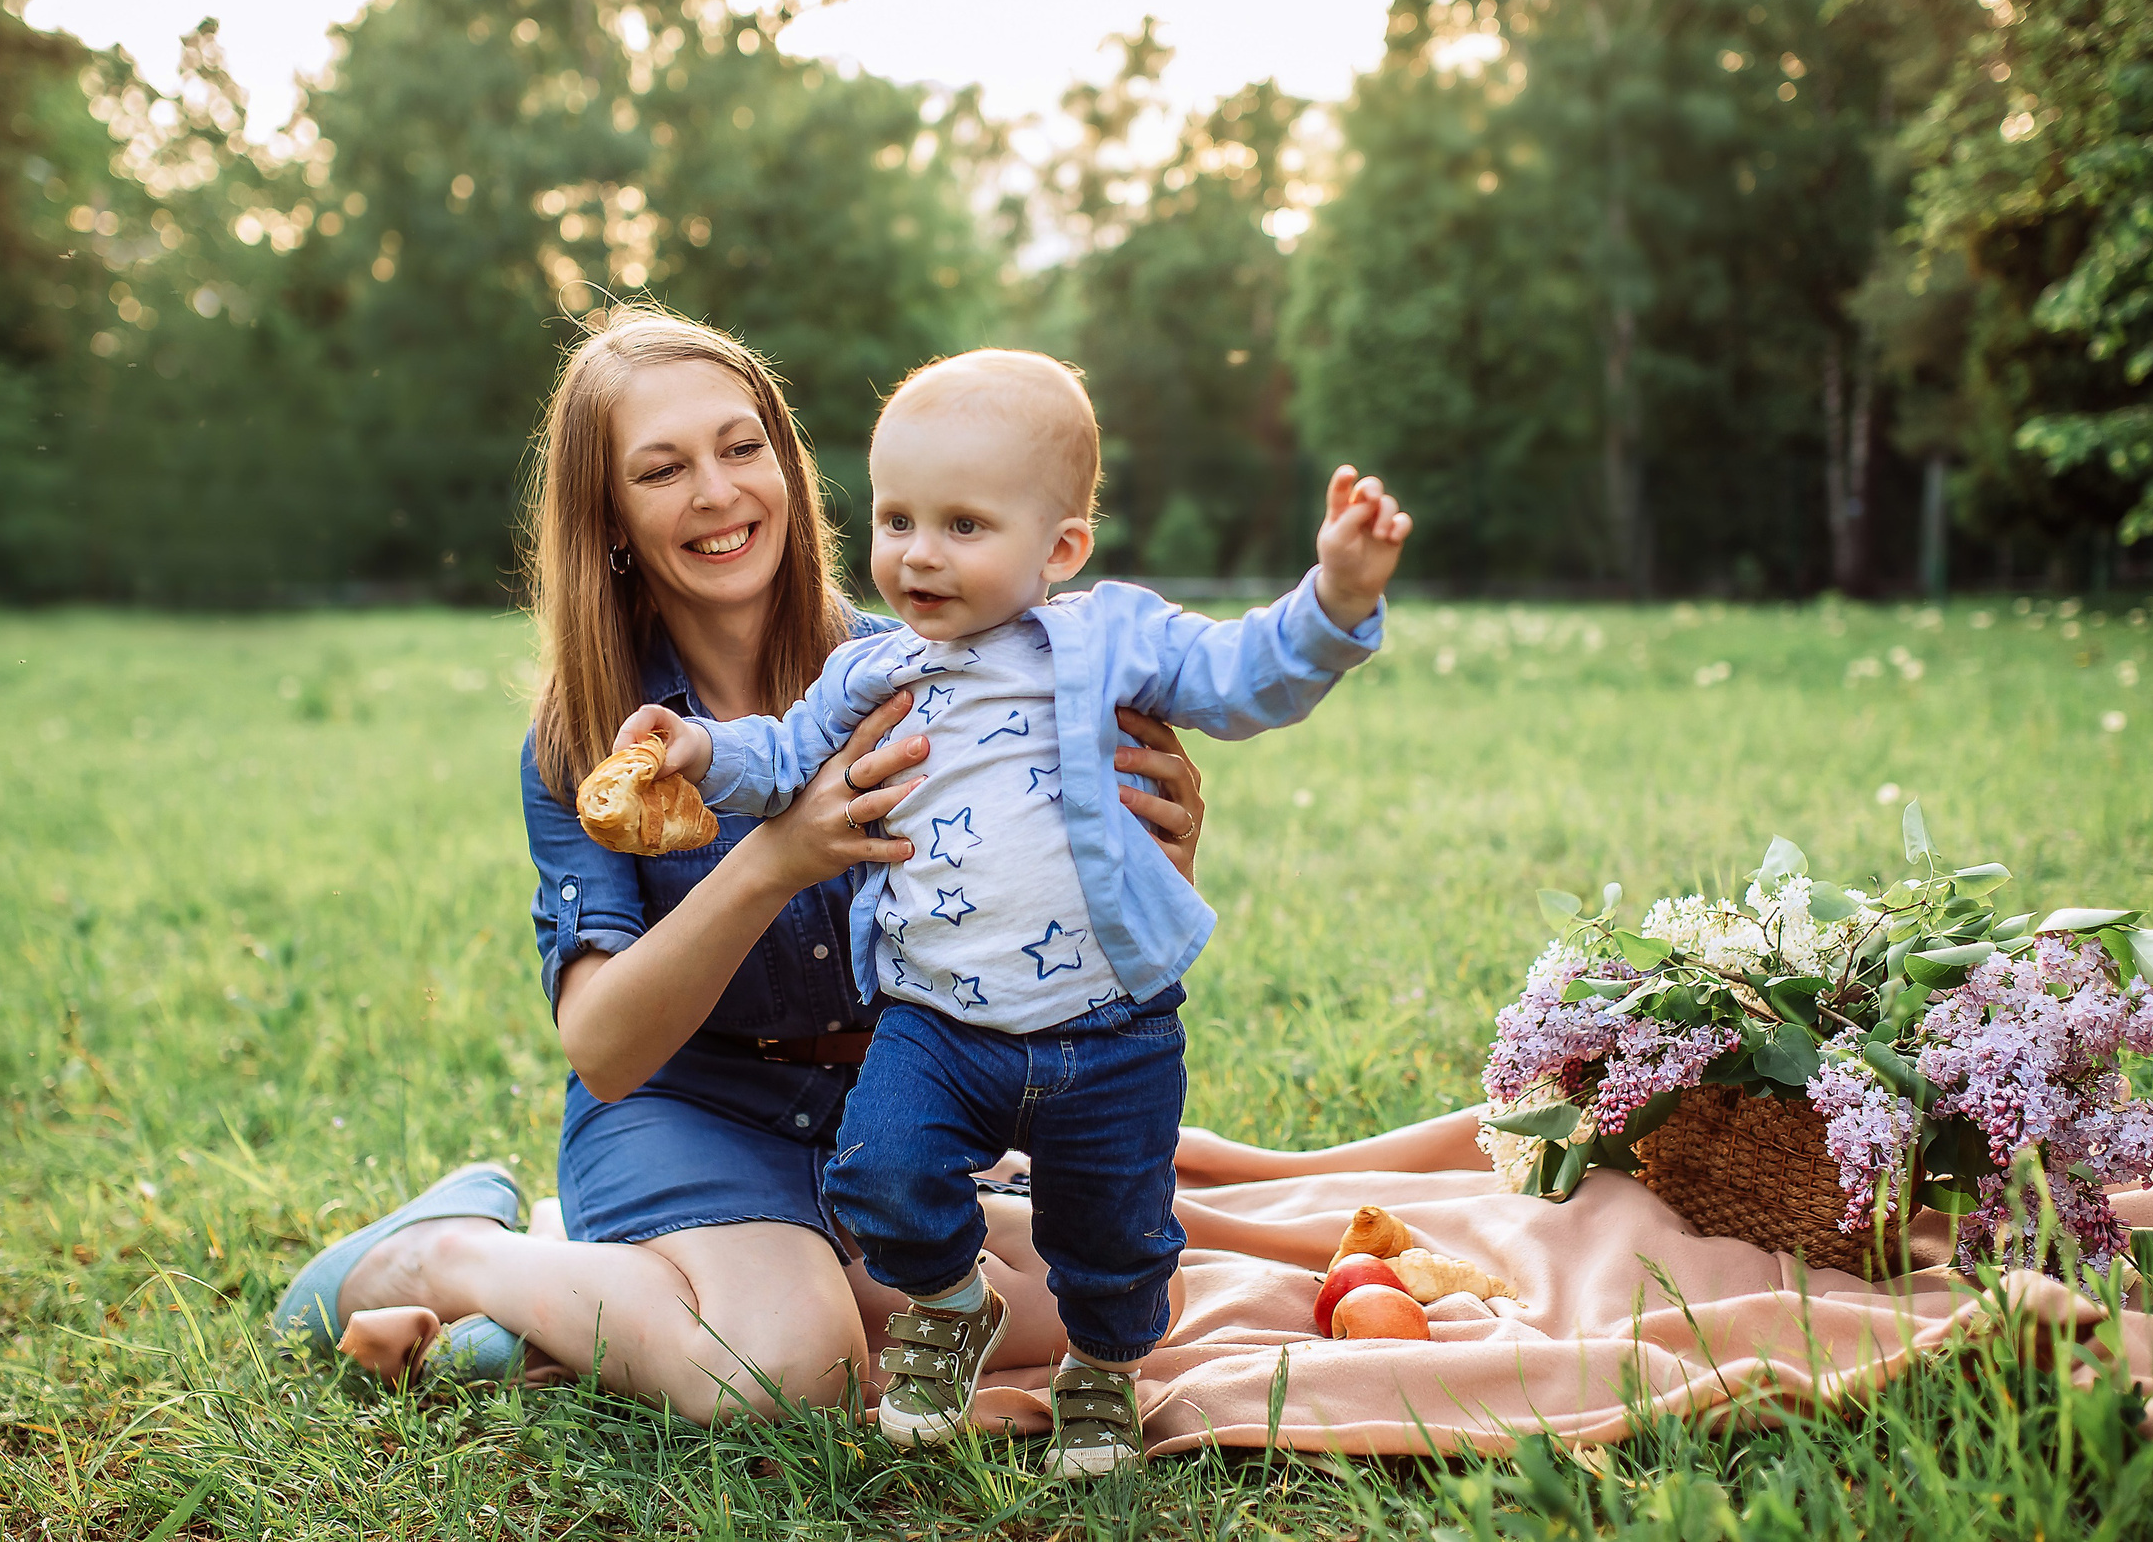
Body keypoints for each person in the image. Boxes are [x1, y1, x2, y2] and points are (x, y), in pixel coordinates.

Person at [270, 309, 1211, 1420]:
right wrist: (775, 858)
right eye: (662, 470)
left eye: (741, 447)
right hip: (685, 1108)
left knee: (1100, 1302)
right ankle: (455, 1258)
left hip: (883, 1107)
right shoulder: (591, 738)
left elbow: (1056, 924)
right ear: (612, 519)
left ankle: (546, 1332)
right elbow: (606, 1050)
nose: (717, 493)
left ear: (786, 464)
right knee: (792, 1373)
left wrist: (1158, 856)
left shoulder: (923, 671)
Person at [632, 349, 1410, 1476]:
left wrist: (1334, 598)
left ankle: (1100, 1375)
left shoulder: (1109, 645)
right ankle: (949, 1302)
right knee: (880, 1174)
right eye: (896, 520)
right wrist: (701, 747)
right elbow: (777, 759)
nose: (917, 554)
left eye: (962, 525)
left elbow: (1247, 679)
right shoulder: (871, 670)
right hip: (937, 1023)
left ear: (1060, 549)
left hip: (1108, 1027)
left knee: (1117, 1237)